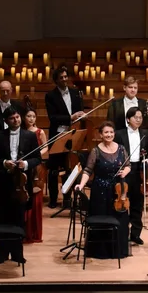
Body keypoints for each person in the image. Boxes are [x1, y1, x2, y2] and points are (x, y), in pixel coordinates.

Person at [0, 107, 39, 264]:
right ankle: (2, 254)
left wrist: (25, 163)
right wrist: (4, 163)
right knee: (2, 218)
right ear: (6, 121)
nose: (16, 120)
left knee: (18, 219)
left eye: (17, 117)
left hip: (21, 184)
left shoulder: (30, 136)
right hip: (2, 184)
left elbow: (37, 158)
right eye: (12, 118)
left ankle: (17, 253)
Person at [77, 121, 130, 257]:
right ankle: (100, 251)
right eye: (106, 132)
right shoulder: (95, 151)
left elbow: (128, 165)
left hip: (118, 191)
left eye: (111, 132)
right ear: (100, 134)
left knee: (119, 218)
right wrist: (81, 185)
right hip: (100, 190)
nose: (109, 134)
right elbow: (88, 170)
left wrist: (125, 172)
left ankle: (118, 251)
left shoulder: (122, 149)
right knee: (101, 219)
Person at [44, 65, 88, 211]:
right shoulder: (50, 96)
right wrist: (70, 117)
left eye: (65, 77)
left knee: (69, 167)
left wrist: (82, 116)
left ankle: (68, 199)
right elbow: (53, 118)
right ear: (56, 80)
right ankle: (53, 199)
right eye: (61, 78)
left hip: (73, 135)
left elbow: (80, 111)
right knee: (54, 168)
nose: (64, 80)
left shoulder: (76, 93)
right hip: (58, 134)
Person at [119, 105, 148, 245]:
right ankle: (122, 232)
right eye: (136, 117)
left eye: (140, 117)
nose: (139, 120)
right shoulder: (119, 134)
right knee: (123, 202)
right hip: (125, 170)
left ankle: (135, 234)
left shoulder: (145, 133)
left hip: (139, 170)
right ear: (128, 119)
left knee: (137, 204)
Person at [20, 106, 47, 244]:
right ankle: (23, 231)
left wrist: (35, 157)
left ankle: (35, 232)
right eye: (29, 116)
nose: (31, 119)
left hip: (36, 166)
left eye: (34, 116)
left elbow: (46, 147)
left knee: (36, 196)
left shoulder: (39, 132)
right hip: (23, 166)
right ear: (24, 118)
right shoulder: (21, 132)